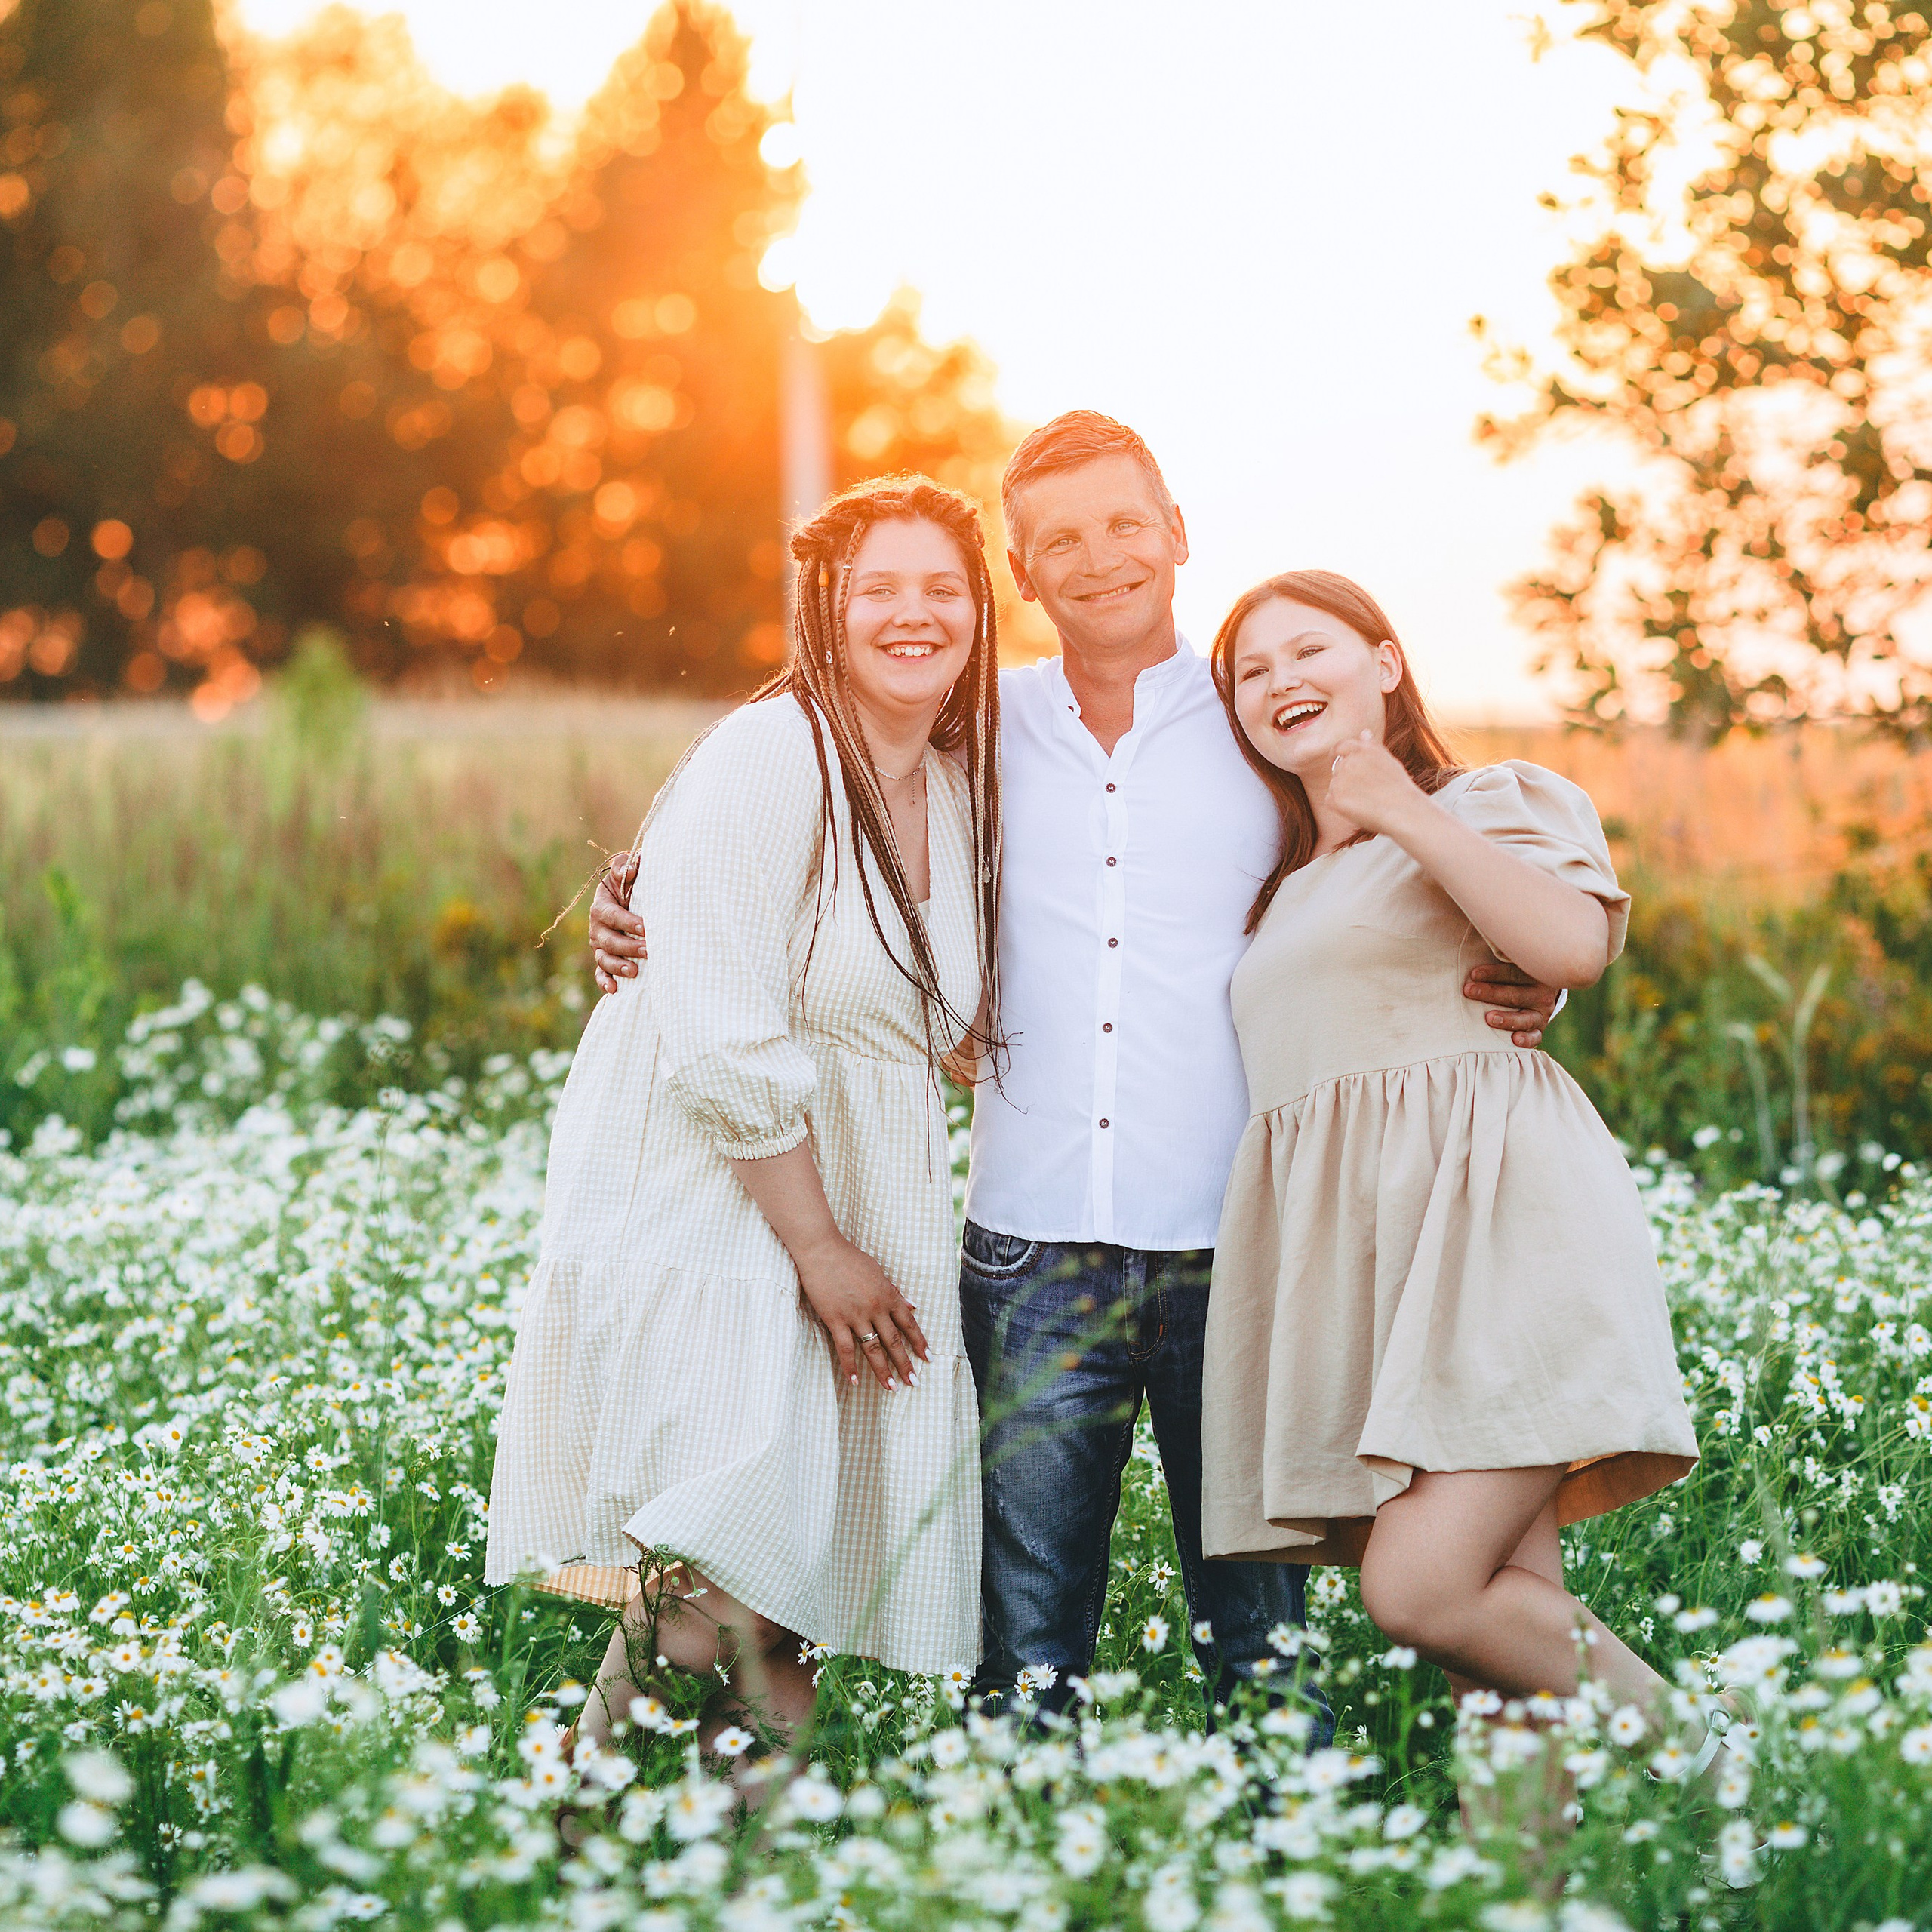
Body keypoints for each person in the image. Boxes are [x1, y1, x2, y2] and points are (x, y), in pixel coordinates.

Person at [592, 414, 1561, 1721]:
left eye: (1124, 524)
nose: (1100, 558)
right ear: (1023, 571)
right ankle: (1027, 1863)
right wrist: (634, 900)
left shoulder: (1263, 730)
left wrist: (1512, 962)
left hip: (1241, 1241)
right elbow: (797, 836)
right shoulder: (969, 736)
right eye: (1060, 540)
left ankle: (1285, 1867)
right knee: (1029, 1636)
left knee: (1259, 1636)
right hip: (1027, 1250)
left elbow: (1399, 864)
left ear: (1175, 534)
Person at [486, 475, 1002, 1752]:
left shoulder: (955, 787)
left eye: (942, 587)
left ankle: (753, 1866)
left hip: (863, 1194)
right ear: (823, 609)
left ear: (981, 611)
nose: (913, 614)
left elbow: (943, 1028)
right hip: (724, 1196)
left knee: (786, 1582)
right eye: (877, 588)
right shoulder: (774, 753)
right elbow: (715, 1025)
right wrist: (821, 1250)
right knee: (714, 1582)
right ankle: (566, 1845)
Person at [1201, 568, 1701, 1735]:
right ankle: (1517, 1900)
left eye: (1308, 651)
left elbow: (1572, 944)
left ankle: (1722, 1766)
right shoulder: (1280, 889)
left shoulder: (1483, 800)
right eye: (1249, 674)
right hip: (1385, 1263)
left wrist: (1403, 807)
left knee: (1421, 1590)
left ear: (1384, 662)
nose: (1280, 682)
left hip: (1502, 1229)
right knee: (1501, 1622)